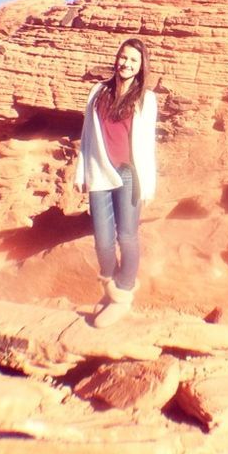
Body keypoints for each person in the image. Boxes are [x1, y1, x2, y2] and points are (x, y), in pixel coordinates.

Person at [75, 37, 158, 327]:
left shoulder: (146, 99)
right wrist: (80, 172)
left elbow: (146, 145)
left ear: (141, 66)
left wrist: (148, 183)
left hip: (129, 173)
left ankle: (122, 295)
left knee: (127, 237)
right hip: (100, 171)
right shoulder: (97, 92)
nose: (126, 63)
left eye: (134, 60)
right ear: (117, 57)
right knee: (103, 242)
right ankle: (111, 286)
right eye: (124, 57)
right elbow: (86, 136)